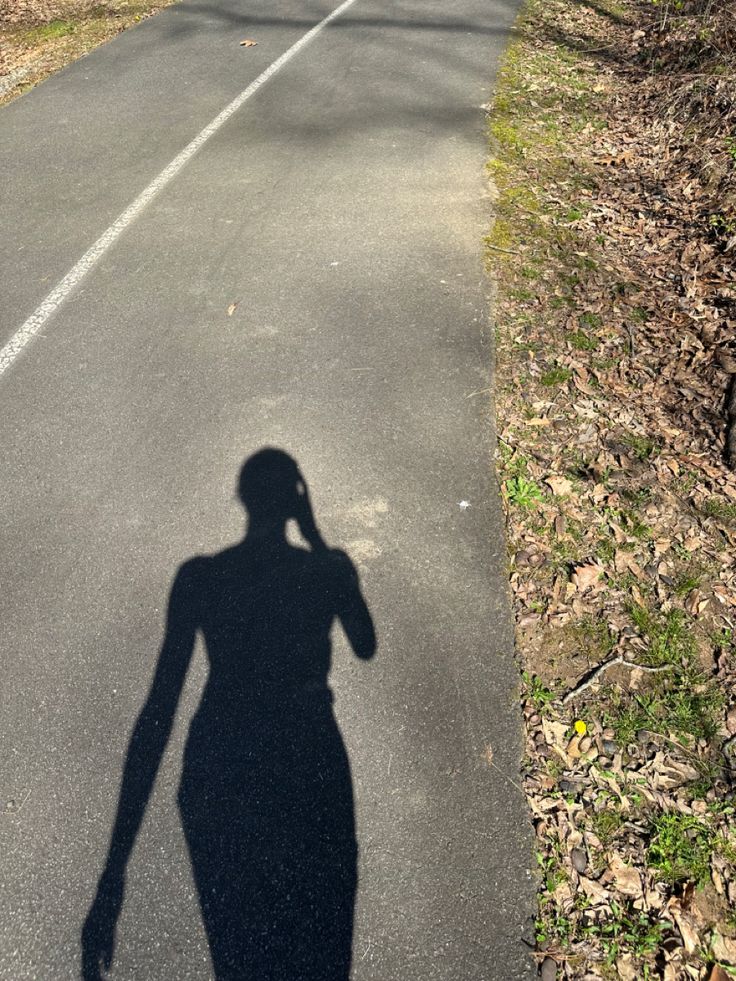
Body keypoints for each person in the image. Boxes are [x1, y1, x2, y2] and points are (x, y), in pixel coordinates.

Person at [82, 448, 376, 980]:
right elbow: (365, 643)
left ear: (241, 500)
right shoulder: (328, 570)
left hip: (221, 764)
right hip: (308, 758)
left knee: (238, 949)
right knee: (324, 943)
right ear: (295, 503)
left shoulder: (199, 578)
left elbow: (160, 709)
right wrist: (316, 537)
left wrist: (114, 873)